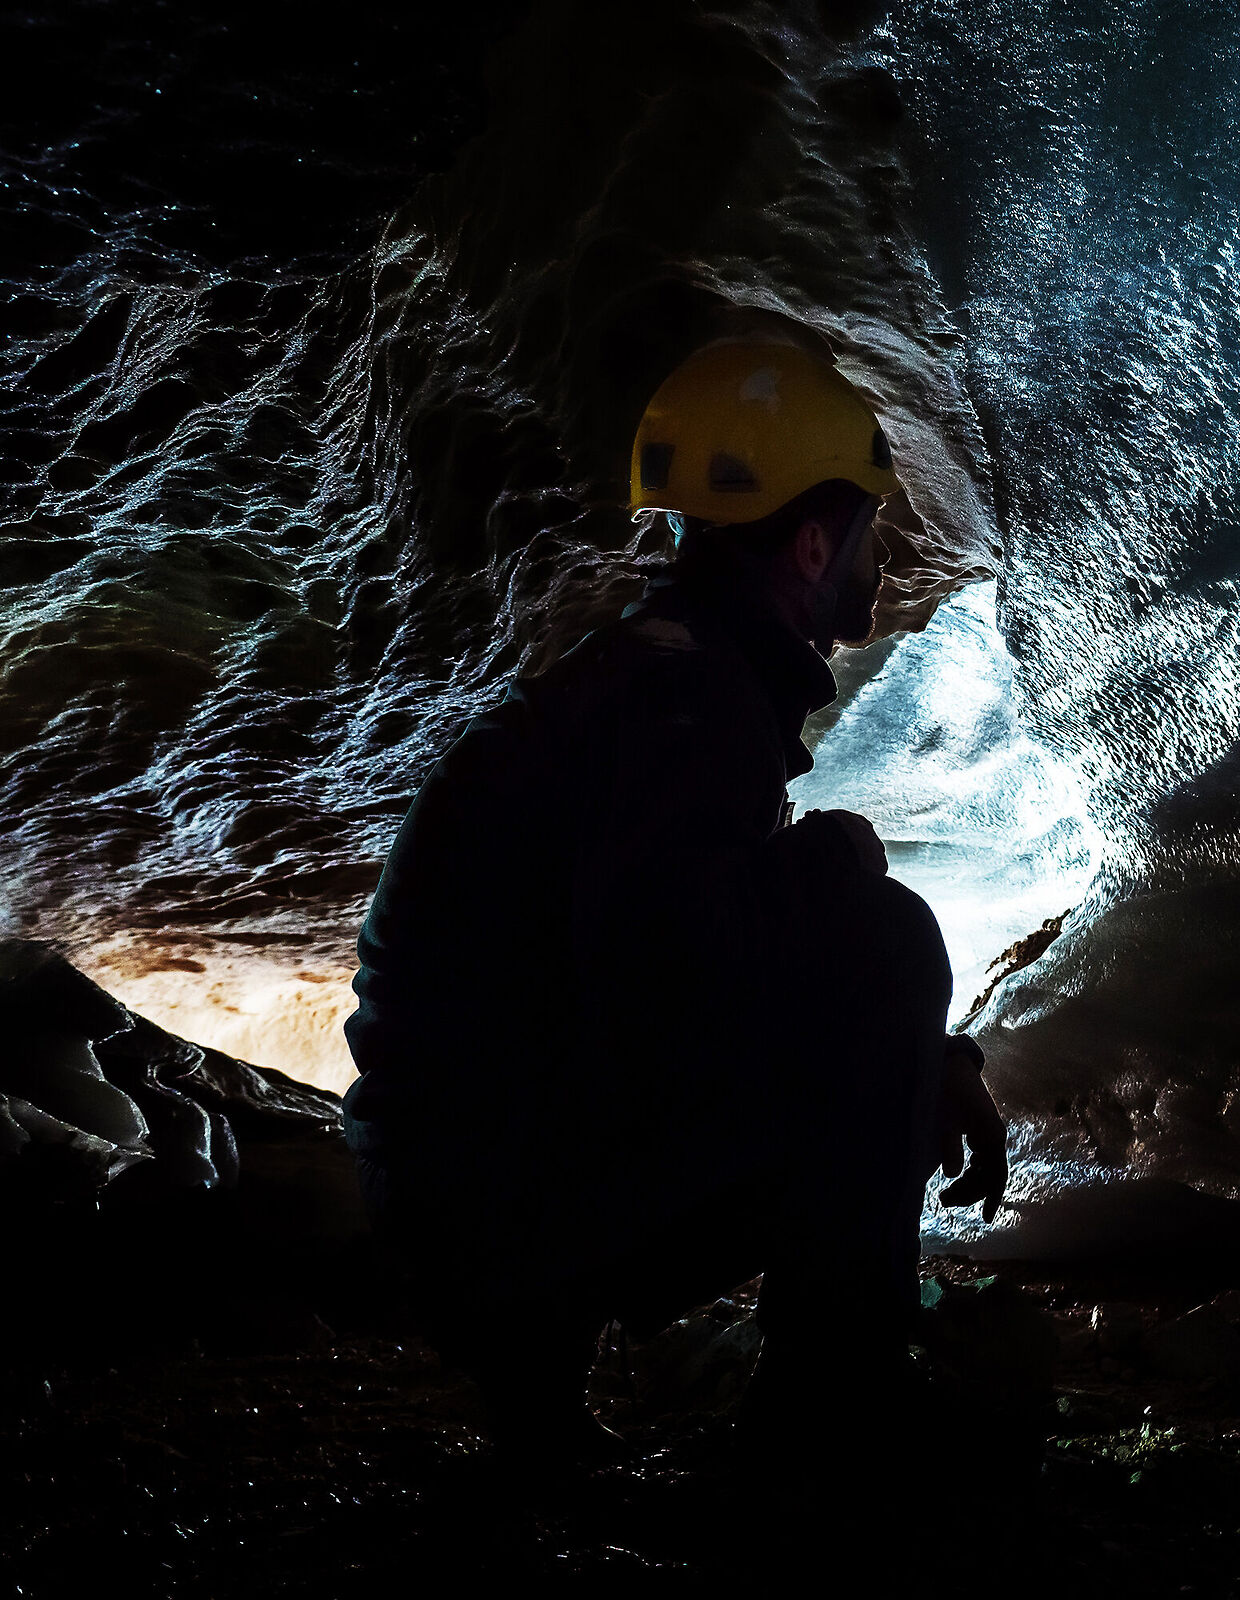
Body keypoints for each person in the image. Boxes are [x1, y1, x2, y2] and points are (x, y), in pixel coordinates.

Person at [340, 336, 1006, 1464]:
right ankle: (833, 1412)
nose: (880, 557)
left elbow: (608, 967)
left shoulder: (648, 679)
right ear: (811, 544)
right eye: (867, 529)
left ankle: (541, 1397)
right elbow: (669, 977)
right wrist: (835, 864)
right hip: (489, 1218)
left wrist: (921, 1056)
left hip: (455, 1192)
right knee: (888, 937)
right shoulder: (689, 707)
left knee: (844, 950)